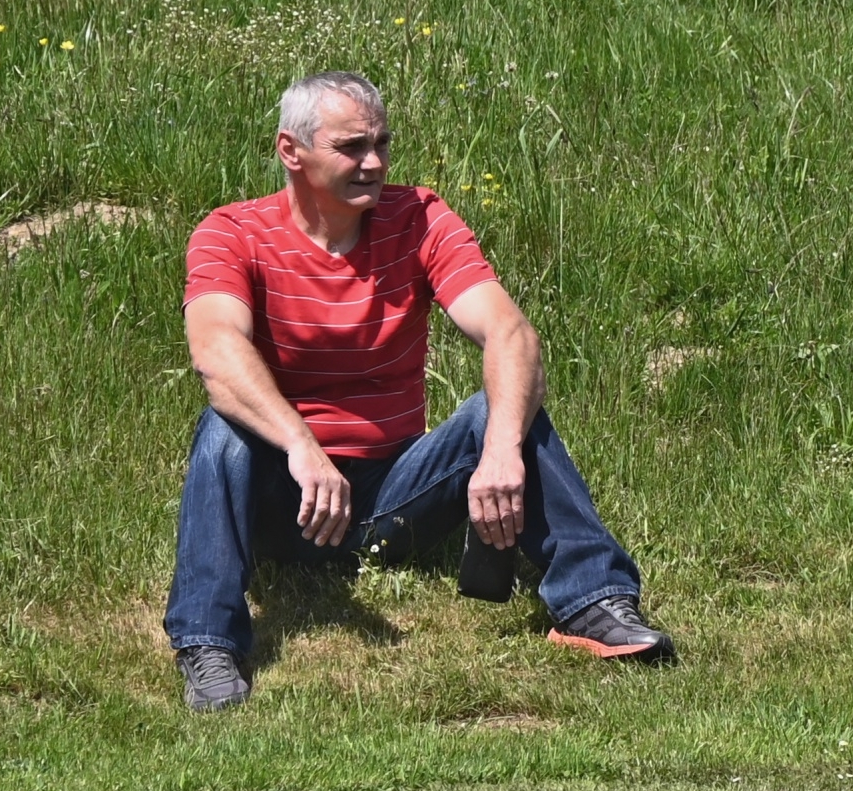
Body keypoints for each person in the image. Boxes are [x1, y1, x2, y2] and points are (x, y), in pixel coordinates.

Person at [163, 71, 674, 711]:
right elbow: (216, 351)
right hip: (285, 502)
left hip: (395, 496)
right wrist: (300, 444)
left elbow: (510, 333)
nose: (374, 162)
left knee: (504, 406)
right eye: (352, 147)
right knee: (224, 430)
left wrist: (500, 452)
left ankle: (595, 602)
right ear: (291, 151)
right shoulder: (232, 233)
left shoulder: (421, 218)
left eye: (381, 143)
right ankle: (209, 643)